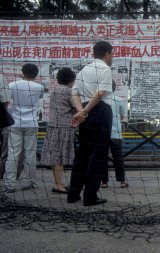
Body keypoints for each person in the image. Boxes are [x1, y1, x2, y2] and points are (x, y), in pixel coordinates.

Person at [68, 41, 113, 206]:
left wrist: (81, 111)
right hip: (100, 111)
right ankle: (90, 196)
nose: (112, 57)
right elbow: (101, 93)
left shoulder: (83, 70)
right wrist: (85, 111)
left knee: (83, 153)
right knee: (98, 155)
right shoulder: (105, 69)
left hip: (85, 112)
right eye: (112, 54)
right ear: (107, 53)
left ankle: (73, 193)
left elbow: (74, 93)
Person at [2, 63, 44, 193]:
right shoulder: (40, 87)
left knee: (13, 154)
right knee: (30, 153)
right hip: (31, 123)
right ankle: (28, 181)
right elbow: (40, 97)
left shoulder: (12, 85)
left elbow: (8, 100)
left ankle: (9, 184)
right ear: (36, 74)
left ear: (22, 72)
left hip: (15, 123)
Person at [40, 68, 76, 194]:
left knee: (55, 153)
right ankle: (58, 184)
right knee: (60, 156)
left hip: (53, 125)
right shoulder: (69, 91)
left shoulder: (55, 90)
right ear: (71, 79)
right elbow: (77, 107)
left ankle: (58, 182)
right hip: (64, 126)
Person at [100, 80, 128, 189]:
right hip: (116, 134)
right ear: (114, 88)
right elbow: (122, 116)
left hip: (103, 133)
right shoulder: (120, 100)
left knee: (102, 158)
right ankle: (122, 180)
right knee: (118, 158)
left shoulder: (99, 101)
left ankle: (104, 182)